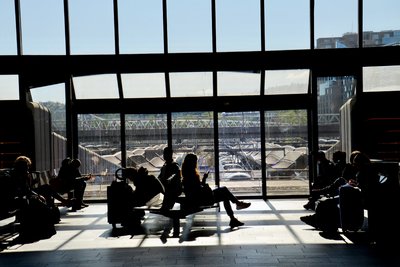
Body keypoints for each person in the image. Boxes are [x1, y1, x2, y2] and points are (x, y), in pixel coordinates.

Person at [181, 153, 251, 229]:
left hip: (201, 196)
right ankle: (236, 208)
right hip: (202, 198)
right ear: (192, 163)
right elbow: (198, 189)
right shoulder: (191, 175)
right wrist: (205, 184)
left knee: (224, 191)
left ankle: (235, 210)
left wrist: (204, 180)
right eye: (195, 161)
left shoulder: (187, 174)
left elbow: (196, 188)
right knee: (224, 194)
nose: (196, 163)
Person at [10, 156, 57, 242]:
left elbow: (27, 190)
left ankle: (38, 231)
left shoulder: (21, 176)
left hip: (22, 197)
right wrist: (35, 195)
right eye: (27, 167)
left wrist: (37, 195)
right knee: (40, 206)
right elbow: (23, 191)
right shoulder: (18, 177)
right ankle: (42, 231)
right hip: (18, 199)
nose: (28, 169)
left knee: (40, 204)